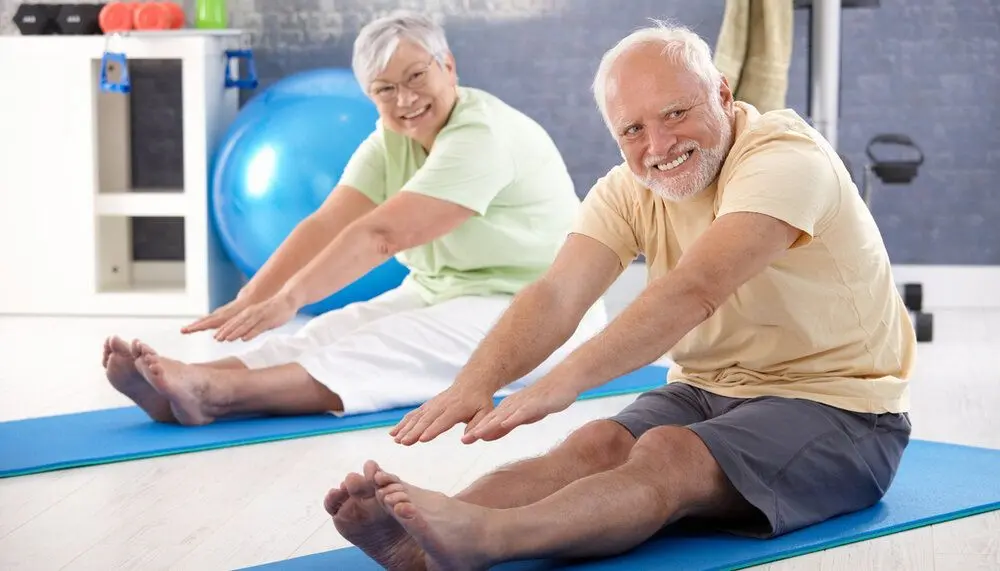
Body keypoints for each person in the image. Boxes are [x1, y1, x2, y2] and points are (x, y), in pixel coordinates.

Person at [324, 20, 916, 571]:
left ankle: (487, 541)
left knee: (668, 454)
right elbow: (558, 293)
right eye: (632, 129)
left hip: (843, 414)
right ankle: (422, 541)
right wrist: (475, 382)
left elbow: (696, 289)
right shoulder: (628, 189)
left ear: (722, 92)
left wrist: (566, 378)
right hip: (708, 389)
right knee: (593, 444)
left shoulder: (785, 159)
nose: (658, 145)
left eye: (676, 112)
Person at [101, 10, 606, 426]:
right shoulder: (392, 141)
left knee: (388, 346)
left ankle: (218, 394)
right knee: (332, 329)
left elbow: (382, 235)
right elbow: (325, 223)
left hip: (546, 311)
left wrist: (292, 297)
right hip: (449, 292)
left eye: (416, 77)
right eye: (385, 90)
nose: (405, 100)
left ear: (447, 66)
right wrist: (253, 297)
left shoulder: (481, 136)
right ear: (369, 95)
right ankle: (185, 381)